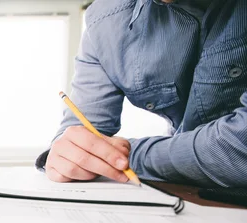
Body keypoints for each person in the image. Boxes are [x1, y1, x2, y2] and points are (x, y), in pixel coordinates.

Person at [37, 0, 247, 188]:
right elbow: (81, 137)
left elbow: (241, 145)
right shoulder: (105, 21)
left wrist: (126, 156)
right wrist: (66, 155)